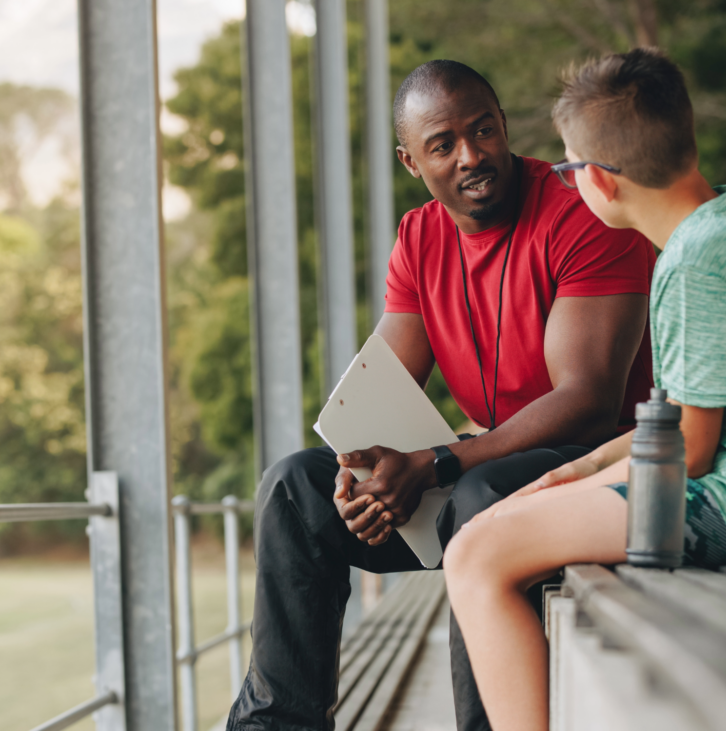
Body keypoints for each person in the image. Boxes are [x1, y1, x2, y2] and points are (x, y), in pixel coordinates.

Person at [227, 60, 658, 731]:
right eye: (443, 144)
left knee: (479, 499)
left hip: (602, 470)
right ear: (411, 161)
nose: (472, 155)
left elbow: (589, 401)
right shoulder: (420, 237)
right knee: (293, 490)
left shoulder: (581, 210)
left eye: (483, 130)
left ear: (504, 125)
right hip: (485, 467)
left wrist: (436, 461)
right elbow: (378, 398)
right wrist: (357, 475)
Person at [443, 47, 726, 731]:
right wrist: (569, 473)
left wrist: (547, 498)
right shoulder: (719, 227)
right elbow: (675, 426)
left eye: (571, 169)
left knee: (475, 554)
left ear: (600, 181)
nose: (570, 184)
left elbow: (688, 451)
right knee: (493, 527)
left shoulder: (701, 262)